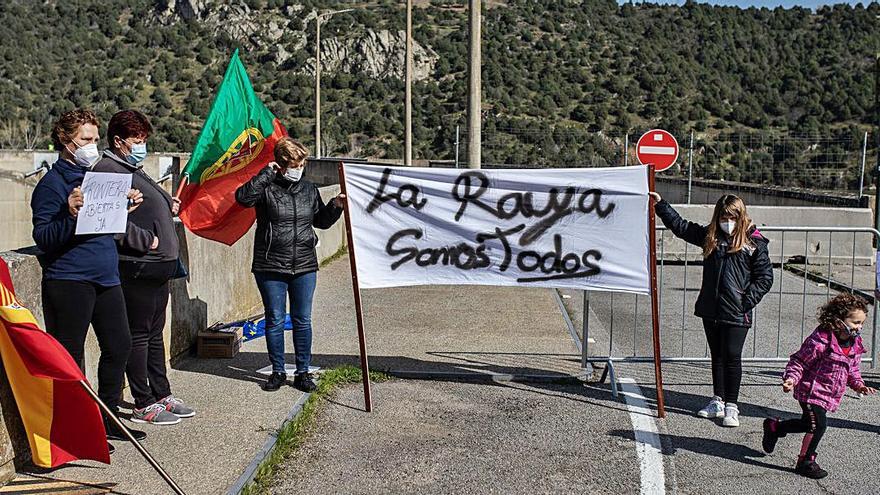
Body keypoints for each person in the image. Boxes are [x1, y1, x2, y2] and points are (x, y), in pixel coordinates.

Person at [31, 109, 147, 449]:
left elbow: (101, 226)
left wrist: (121, 211)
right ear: (65, 141)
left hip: (105, 275)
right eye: (85, 140)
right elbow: (45, 237)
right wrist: (68, 214)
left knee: (120, 345)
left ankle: (107, 418)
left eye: (95, 139)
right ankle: (75, 430)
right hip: (69, 279)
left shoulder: (98, 178)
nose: (92, 146)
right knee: (70, 357)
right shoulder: (51, 185)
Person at [93, 109, 194, 426]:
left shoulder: (131, 167)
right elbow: (104, 218)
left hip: (157, 268)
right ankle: (142, 402)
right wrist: (141, 240)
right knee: (138, 336)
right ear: (119, 140)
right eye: (137, 140)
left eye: (144, 140)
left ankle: (161, 393)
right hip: (137, 266)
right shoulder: (108, 170)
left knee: (152, 335)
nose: (142, 146)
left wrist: (167, 203)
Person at [649, 192, 773, 427]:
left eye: (733, 217)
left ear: (741, 216)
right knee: (716, 356)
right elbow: (682, 227)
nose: (728, 221)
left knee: (732, 357)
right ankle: (717, 399)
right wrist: (661, 205)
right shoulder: (711, 237)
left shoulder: (754, 242)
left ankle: (732, 406)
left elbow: (765, 278)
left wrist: (744, 302)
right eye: (724, 216)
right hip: (711, 308)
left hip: (737, 311)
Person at [235, 137, 345, 393]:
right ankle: (278, 371)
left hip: (304, 265)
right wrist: (265, 175)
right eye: (297, 163)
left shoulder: (308, 189)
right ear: (283, 164)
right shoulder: (266, 187)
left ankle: (303, 372)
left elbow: (321, 221)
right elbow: (242, 198)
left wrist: (336, 206)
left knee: (302, 319)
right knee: (274, 319)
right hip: (270, 265)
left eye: (302, 163)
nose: (301, 167)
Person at [762, 293, 876, 479]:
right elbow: (799, 362)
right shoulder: (821, 340)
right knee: (818, 425)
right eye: (855, 322)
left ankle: (775, 428)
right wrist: (791, 378)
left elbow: (853, 369)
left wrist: (858, 385)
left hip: (829, 395)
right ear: (838, 320)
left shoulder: (854, 343)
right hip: (811, 391)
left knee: (807, 424)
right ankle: (805, 461)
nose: (859, 327)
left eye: (862, 323)